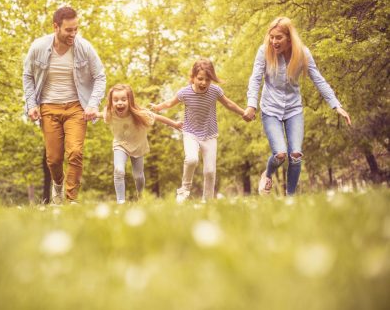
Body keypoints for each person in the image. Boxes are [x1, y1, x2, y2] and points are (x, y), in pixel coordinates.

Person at [243, 17, 351, 196]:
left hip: (293, 109)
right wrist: (251, 105)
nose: (274, 42)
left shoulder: (302, 53)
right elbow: (255, 79)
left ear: (289, 37)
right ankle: (268, 174)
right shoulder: (264, 51)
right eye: (271, 37)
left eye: (278, 38)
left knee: (295, 155)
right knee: (280, 154)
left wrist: (336, 105)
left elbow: (319, 79)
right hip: (270, 109)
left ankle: (290, 199)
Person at [23, 6, 106, 204]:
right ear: (56, 27)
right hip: (49, 107)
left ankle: (71, 200)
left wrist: (93, 104)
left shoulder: (84, 47)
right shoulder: (38, 47)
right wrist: (31, 104)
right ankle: (58, 186)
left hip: (76, 107)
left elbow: (100, 76)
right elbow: (27, 75)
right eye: (69, 30)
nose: (73, 34)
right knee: (53, 159)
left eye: (76, 29)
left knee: (76, 152)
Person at [151, 59, 247, 203]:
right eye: (200, 79)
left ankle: (206, 201)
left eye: (207, 79)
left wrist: (243, 112)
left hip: (210, 135)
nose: (203, 82)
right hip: (190, 133)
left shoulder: (215, 91)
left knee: (209, 171)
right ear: (193, 77)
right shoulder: (185, 93)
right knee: (191, 159)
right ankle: (184, 191)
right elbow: (170, 103)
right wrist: (158, 107)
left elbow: (228, 103)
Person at [97, 84, 182, 204]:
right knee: (119, 170)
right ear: (111, 101)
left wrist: (175, 124)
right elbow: (99, 115)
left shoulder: (140, 113)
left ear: (129, 100)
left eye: (123, 99)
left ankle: (140, 195)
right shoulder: (110, 113)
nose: (119, 103)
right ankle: (120, 201)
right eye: (115, 100)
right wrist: (90, 114)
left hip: (138, 146)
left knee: (138, 176)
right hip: (120, 144)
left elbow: (157, 117)